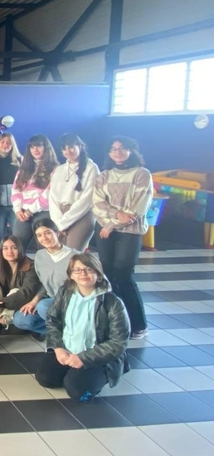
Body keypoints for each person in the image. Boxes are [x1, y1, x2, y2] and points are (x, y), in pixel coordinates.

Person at [35, 253, 130, 402]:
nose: (83, 274)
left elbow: (118, 343)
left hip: (97, 357)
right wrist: (58, 348)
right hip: (67, 350)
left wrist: (83, 358)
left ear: (98, 274)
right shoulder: (65, 292)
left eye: (88, 269)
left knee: (79, 394)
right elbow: (52, 320)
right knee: (45, 378)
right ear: (71, 275)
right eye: (77, 270)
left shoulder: (113, 302)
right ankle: (73, 374)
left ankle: (95, 380)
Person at [93, 135, 153, 339]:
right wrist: (112, 219)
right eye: (113, 149)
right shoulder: (104, 175)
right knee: (108, 275)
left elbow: (138, 206)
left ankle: (139, 324)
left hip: (129, 231)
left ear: (131, 151)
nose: (117, 152)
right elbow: (98, 203)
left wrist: (113, 224)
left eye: (122, 148)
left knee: (124, 274)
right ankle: (116, 323)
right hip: (104, 230)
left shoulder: (142, 174)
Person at [12, 218, 77, 338]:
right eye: (39, 235)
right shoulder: (40, 256)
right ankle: (56, 330)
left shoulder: (76, 257)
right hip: (50, 300)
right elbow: (43, 284)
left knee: (44, 307)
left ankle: (70, 335)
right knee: (20, 320)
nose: (44, 238)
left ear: (57, 233)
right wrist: (34, 301)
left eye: (48, 232)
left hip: (72, 302)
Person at [50, 133, 100, 251]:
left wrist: (64, 223)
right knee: (58, 254)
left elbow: (87, 199)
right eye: (64, 148)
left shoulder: (91, 168)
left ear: (80, 146)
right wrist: (58, 222)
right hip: (59, 215)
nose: (68, 151)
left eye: (71, 147)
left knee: (72, 254)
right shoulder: (59, 169)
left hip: (81, 215)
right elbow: (52, 196)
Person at [11, 134, 59, 251]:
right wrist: (17, 209)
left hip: (43, 211)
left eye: (38, 146)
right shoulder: (24, 168)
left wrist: (30, 211)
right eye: (32, 147)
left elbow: (49, 194)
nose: (35, 150)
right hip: (23, 213)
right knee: (16, 245)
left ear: (46, 148)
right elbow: (16, 190)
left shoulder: (55, 169)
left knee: (43, 246)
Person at [0, 133, 22, 257]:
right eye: (2, 142)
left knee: (15, 236)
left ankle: (15, 263)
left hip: (15, 206)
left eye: (8, 142)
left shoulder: (19, 161)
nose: (5, 145)